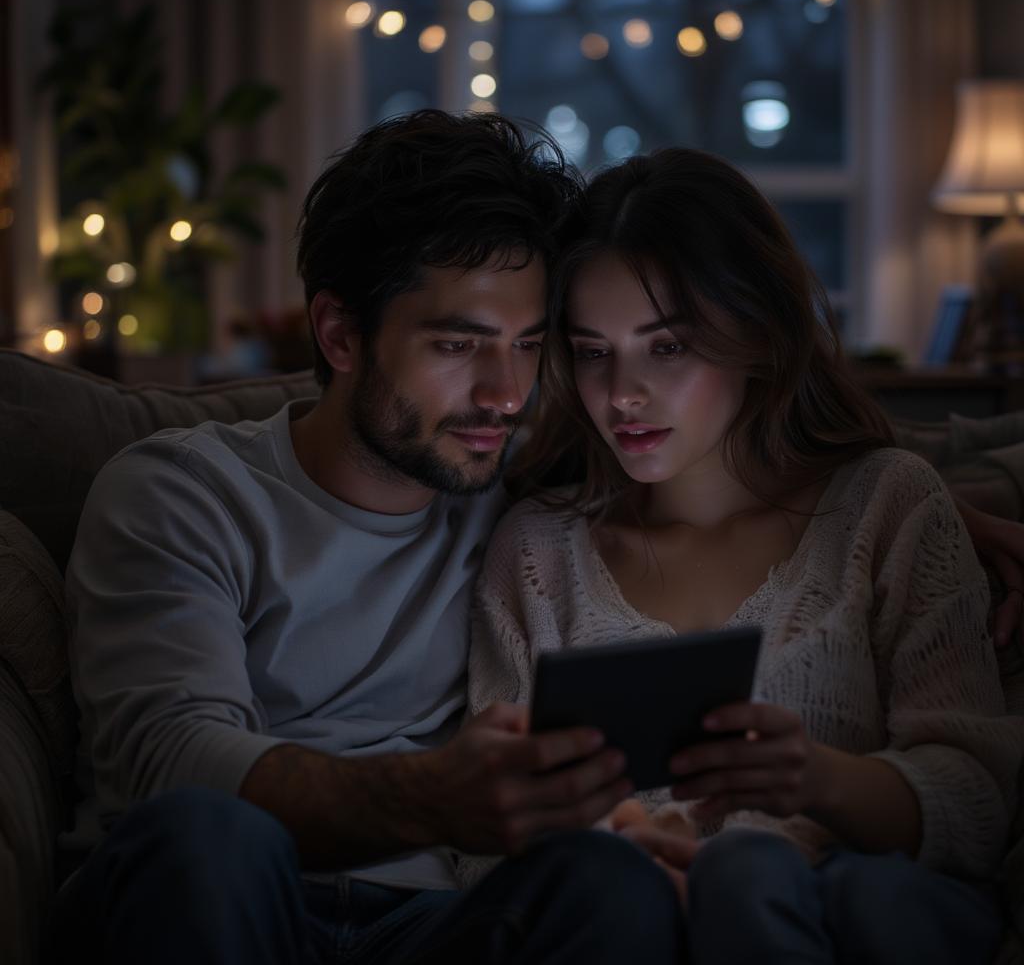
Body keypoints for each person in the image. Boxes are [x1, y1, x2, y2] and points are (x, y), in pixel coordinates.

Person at [55, 111, 689, 964]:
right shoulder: (181, 492)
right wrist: (430, 798)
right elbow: (171, 757)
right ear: (340, 333)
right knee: (210, 836)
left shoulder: (529, 492)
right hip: (218, 897)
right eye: (459, 343)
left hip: (432, 924)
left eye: (529, 346)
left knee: (609, 883)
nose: (506, 393)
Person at [466, 147, 1024, 964]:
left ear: (755, 335)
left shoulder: (885, 507)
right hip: (628, 930)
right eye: (592, 351)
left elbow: (979, 803)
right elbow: (490, 829)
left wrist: (816, 781)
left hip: (848, 920)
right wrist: (638, 851)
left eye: (668, 347)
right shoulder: (537, 552)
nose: (622, 393)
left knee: (753, 872)